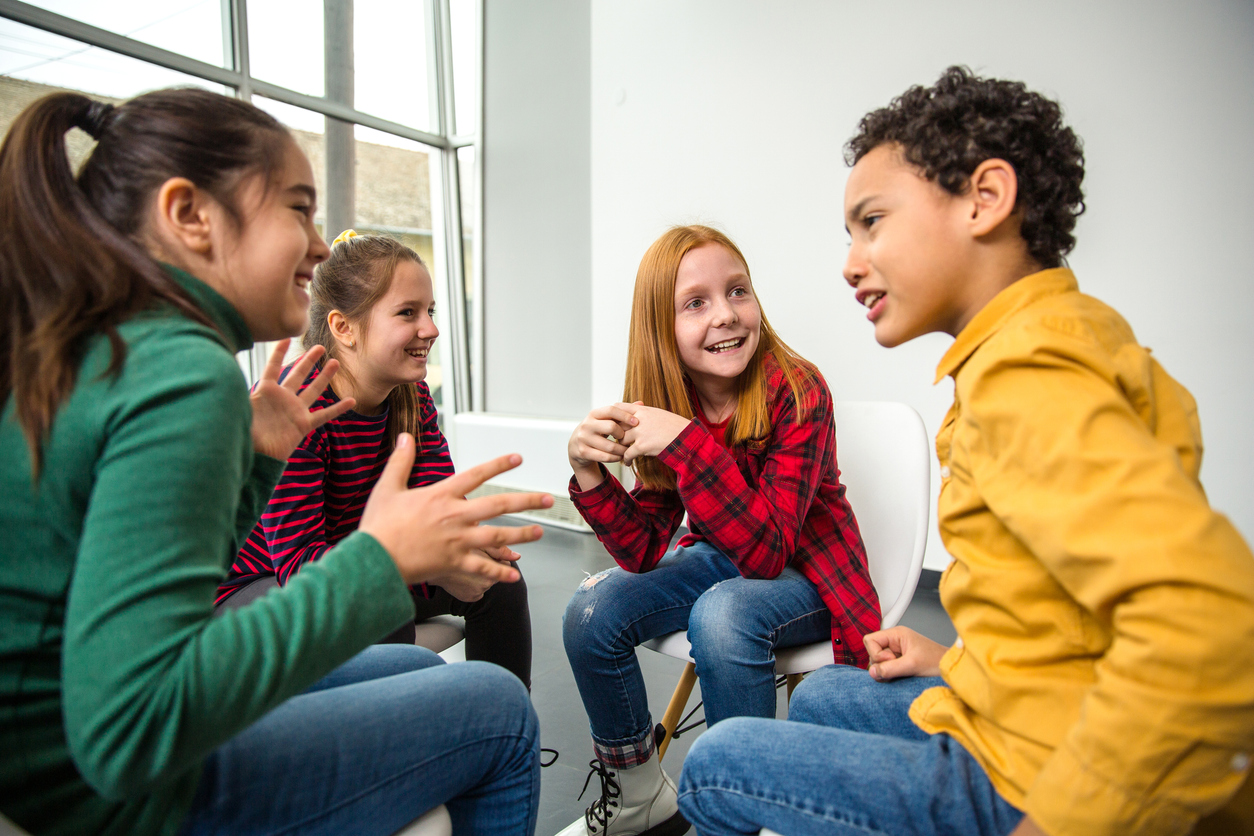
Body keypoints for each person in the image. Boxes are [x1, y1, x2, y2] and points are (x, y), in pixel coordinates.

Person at [676, 66, 1254, 836]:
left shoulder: (1028, 378)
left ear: (985, 199)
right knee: (824, 695)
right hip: (1031, 710)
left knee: (718, 762)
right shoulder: (1063, 335)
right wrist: (956, 662)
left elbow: (1206, 631)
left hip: (1032, 776)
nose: (850, 262)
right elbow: (1066, 622)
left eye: (872, 221)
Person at [0, 88, 553, 836]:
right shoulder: (182, 374)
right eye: (298, 210)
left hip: (41, 767)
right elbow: (127, 735)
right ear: (189, 215)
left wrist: (257, 460)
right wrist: (381, 562)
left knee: (418, 669)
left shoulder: (104, 345)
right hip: (110, 797)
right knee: (500, 710)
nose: (321, 247)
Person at [558, 225, 880, 836]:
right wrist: (589, 473)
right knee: (591, 612)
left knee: (724, 613)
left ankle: (739, 815)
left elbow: (768, 554)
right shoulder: (668, 400)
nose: (727, 315)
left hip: (811, 573)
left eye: (738, 291)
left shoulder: (799, 389)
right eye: (695, 303)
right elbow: (642, 549)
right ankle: (639, 794)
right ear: (660, 328)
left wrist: (686, 444)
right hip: (722, 557)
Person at [218, 231, 532, 688]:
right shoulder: (297, 407)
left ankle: (505, 727)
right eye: (408, 313)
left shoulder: (413, 396)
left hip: (363, 565)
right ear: (343, 328)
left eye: (430, 311)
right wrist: (428, 565)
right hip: (260, 586)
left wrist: (460, 553)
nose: (431, 329)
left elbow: (439, 513)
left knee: (500, 578)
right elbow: (300, 568)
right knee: (377, 603)